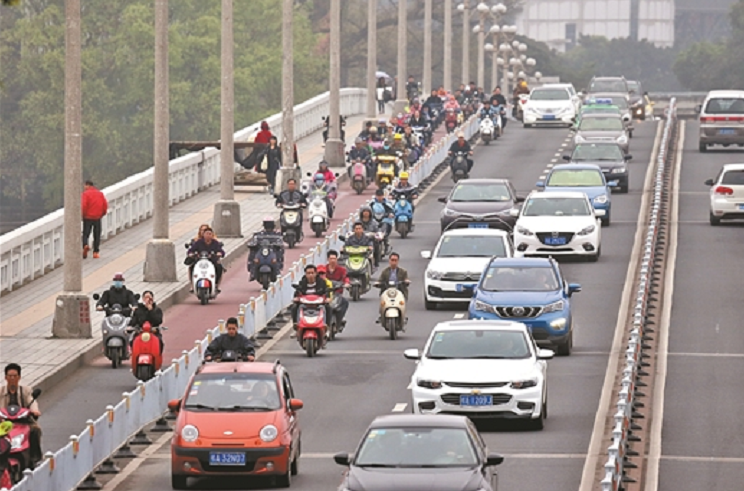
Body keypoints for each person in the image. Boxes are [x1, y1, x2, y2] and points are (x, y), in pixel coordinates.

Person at [1, 364, 41, 467]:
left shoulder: (26, 390)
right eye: (10, 376)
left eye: (15, 376)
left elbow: (32, 402)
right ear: (5, 377)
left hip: (23, 421)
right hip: (4, 424)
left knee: (35, 430)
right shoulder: (0, 392)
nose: (12, 378)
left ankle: (34, 457)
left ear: (19, 377)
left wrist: (35, 411)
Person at [291, 264, 330, 330]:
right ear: (305, 274)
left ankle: (326, 325)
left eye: (312, 273)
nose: (310, 275)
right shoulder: (302, 283)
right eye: (308, 273)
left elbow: (326, 291)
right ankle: (296, 325)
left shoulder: (322, 282)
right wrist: (296, 298)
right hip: (305, 304)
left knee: (328, 307)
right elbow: (297, 292)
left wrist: (327, 298)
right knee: (295, 307)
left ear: (316, 273)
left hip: (318, 304)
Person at [187, 227, 225, 293]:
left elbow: (221, 252)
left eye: (210, 234)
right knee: (191, 267)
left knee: (219, 267)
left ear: (212, 235)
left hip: (212, 261)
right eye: (206, 234)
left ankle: (216, 284)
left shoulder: (215, 243)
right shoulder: (199, 242)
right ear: (203, 235)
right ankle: (193, 285)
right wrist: (191, 254)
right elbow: (191, 250)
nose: (208, 235)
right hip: (199, 261)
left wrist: (219, 253)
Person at [129, 290, 164, 354]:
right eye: (145, 298)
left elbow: (159, 321)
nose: (147, 300)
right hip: (140, 332)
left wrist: (151, 310)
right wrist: (130, 327)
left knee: (160, 342)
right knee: (132, 342)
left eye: (149, 298)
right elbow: (133, 321)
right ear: (143, 299)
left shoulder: (157, 310)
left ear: (152, 299)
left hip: (153, 332)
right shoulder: (138, 310)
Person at [81, 180, 108, 259]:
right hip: (97, 217)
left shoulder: (85, 194)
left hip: (88, 217)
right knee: (97, 234)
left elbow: (84, 205)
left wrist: (83, 215)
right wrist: (102, 213)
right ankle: (96, 252)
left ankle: (85, 245)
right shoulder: (100, 194)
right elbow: (104, 205)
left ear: (87, 185)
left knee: (86, 233)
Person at [324, 250, 349, 329]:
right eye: (331, 259)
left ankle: (340, 320)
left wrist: (347, 283)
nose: (333, 261)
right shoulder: (324, 269)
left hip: (337, 293)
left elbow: (346, 278)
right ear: (328, 259)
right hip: (326, 294)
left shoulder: (341, 270)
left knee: (345, 303)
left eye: (334, 259)